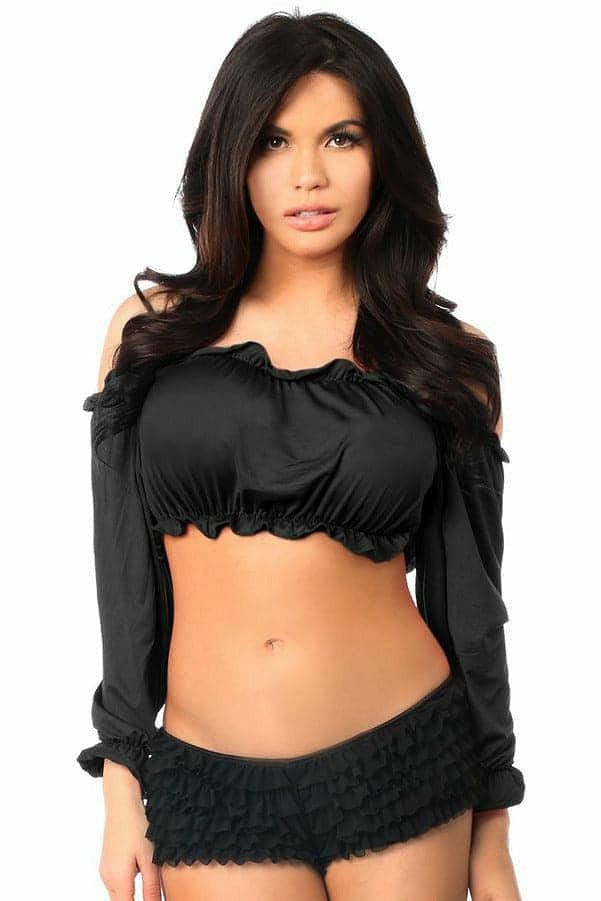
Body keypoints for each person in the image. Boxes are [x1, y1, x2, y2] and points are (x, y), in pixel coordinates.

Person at [76, 11, 525, 901]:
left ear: (383, 155)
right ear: (232, 158)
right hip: (210, 780)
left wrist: (493, 827)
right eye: (273, 141)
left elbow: (469, 603)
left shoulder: (446, 357)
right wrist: (122, 776)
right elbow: (123, 569)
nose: (307, 174)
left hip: (407, 761)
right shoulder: (151, 333)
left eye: (341, 138)